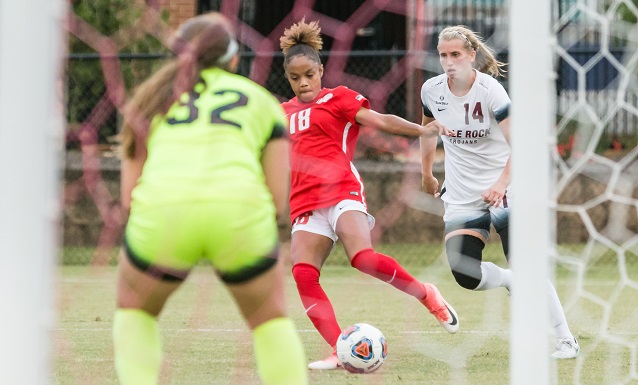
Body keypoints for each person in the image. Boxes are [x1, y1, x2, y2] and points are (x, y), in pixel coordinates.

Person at [114, 12, 308, 385]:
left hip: (164, 214)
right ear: (233, 59)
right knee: (270, 320)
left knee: (135, 311)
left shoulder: (148, 99)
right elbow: (277, 199)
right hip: (239, 212)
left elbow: (127, 198)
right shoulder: (262, 101)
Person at [279, 19, 460, 371]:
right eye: (295, 78)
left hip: (342, 190)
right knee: (303, 273)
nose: (303, 83)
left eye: (309, 75)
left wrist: (421, 129)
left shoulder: (338, 99)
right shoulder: (282, 113)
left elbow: (380, 120)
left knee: (361, 258)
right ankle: (338, 349)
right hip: (305, 202)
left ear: (320, 71)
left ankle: (428, 296)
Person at [419, 25, 579, 359]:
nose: (449, 62)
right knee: (464, 273)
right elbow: (427, 130)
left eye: (456, 55)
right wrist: (426, 173)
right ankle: (509, 280)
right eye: (443, 55)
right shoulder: (431, 91)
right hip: (462, 195)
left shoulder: (491, 91)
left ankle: (565, 339)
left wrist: (502, 184)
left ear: (471, 55)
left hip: (507, 190)